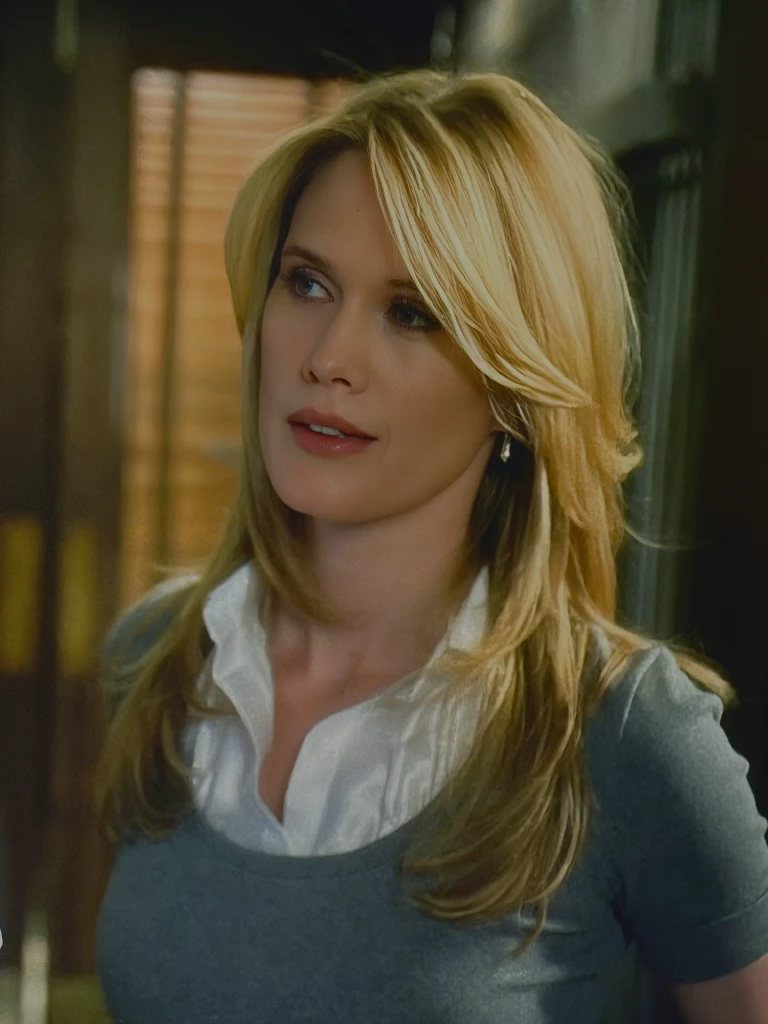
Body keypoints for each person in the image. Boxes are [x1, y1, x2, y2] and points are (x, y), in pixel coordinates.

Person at [94, 69, 768, 1023]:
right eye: (308, 282)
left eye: (411, 313)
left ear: (513, 385)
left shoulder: (625, 737)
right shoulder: (154, 660)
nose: (328, 356)